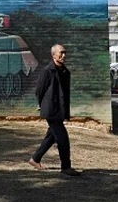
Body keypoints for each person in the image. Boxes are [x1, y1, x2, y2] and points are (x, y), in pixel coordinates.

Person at [29, 44, 80, 177]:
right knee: (63, 138)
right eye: (61, 53)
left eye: (65, 53)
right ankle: (66, 167)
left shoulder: (64, 71)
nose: (64, 55)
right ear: (54, 55)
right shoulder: (48, 70)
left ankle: (35, 159)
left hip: (60, 109)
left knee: (51, 136)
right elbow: (39, 90)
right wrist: (41, 104)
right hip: (51, 109)